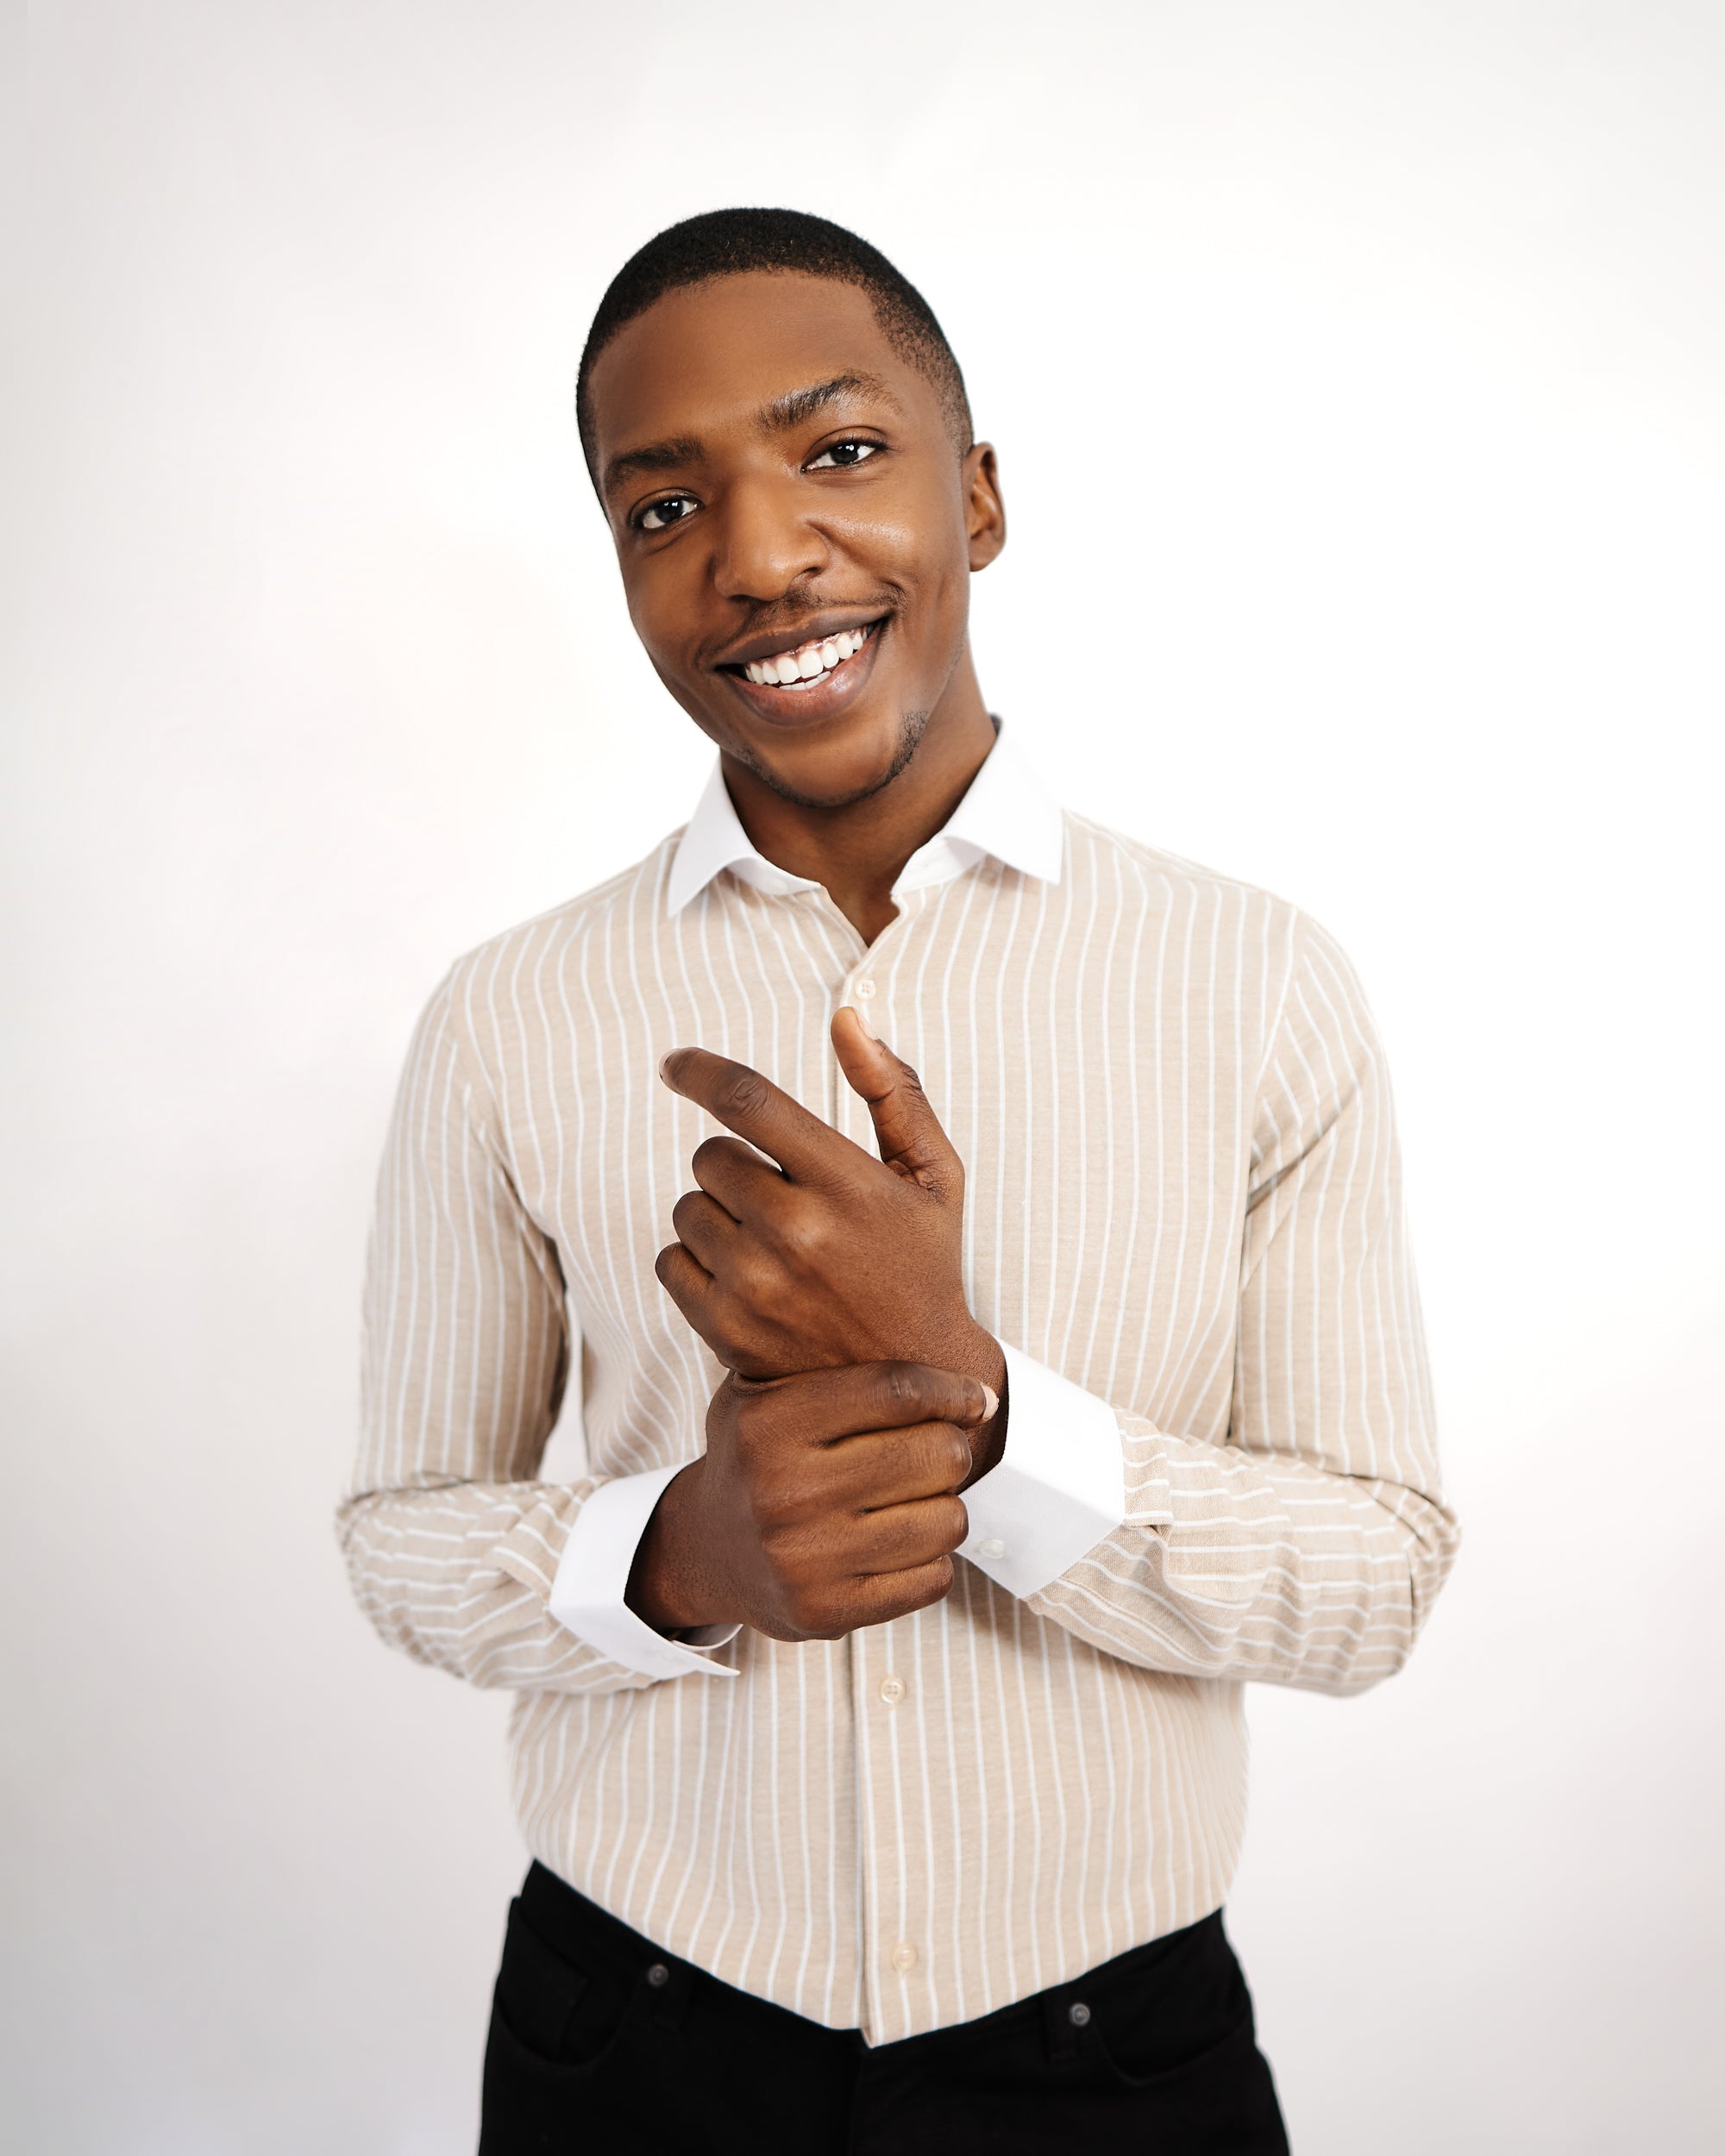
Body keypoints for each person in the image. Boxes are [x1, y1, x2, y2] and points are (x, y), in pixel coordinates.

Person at [340, 208, 1459, 2154]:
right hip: (636, 2038)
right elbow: (400, 1533)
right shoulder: (508, 1015)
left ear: (982, 498)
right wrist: (674, 1559)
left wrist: (983, 1408)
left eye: (839, 451)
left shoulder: (1255, 981)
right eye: (664, 506)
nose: (762, 556)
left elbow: (1376, 1577)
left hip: (1112, 2058)